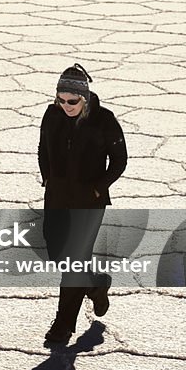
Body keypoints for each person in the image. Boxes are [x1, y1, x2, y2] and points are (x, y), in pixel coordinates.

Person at [37, 63, 127, 346]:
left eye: (72, 101)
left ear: (84, 98)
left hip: (89, 201)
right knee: (57, 254)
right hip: (57, 197)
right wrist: (48, 178)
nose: (66, 106)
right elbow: (42, 148)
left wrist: (99, 188)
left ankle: (63, 327)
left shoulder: (104, 120)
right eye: (61, 100)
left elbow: (120, 160)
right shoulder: (52, 115)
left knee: (73, 262)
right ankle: (96, 284)